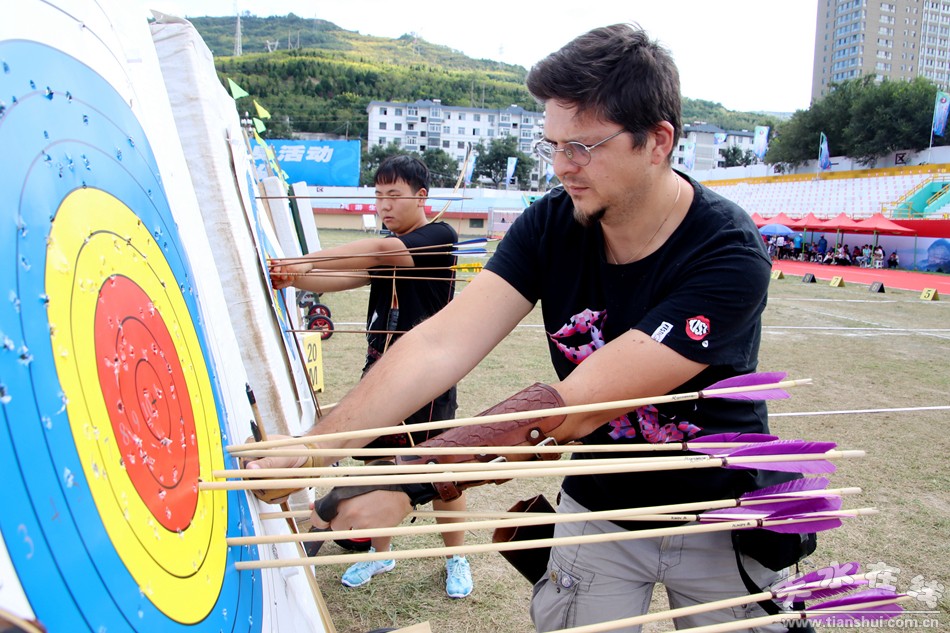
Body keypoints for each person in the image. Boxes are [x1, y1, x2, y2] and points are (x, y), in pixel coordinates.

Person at [251, 24, 801, 632]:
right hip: (598, 506)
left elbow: (583, 403)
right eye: (553, 146)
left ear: (657, 141)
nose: (562, 167)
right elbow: (438, 342)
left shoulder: (727, 250)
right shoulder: (551, 224)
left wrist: (411, 484)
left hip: (721, 513)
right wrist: (314, 449)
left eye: (582, 147)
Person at [268, 154, 474, 598]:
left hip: (428, 378)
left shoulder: (438, 236)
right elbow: (352, 274)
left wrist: (300, 259)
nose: (383, 204)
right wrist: (297, 276)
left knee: (441, 473)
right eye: (378, 195)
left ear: (421, 196)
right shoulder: (387, 245)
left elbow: (381, 254)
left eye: (393, 195)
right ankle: (380, 553)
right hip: (380, 370)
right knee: (378, 464)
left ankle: (456, 557)